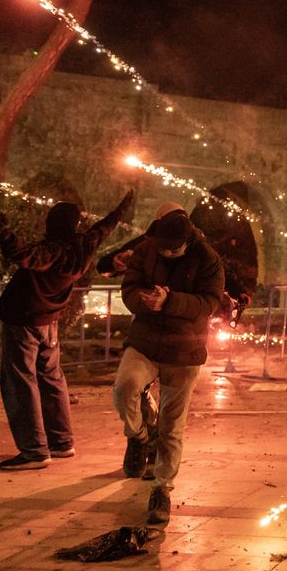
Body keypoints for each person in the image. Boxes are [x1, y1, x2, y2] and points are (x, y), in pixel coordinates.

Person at [0, 190, 135, 470]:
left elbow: (24, 254)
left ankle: (34, 450)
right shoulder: (83, 246)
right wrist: (123, 206)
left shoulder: (54, 251)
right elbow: (104, 227)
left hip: (25, 322)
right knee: (51, 379)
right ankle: (61, 442)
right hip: (49, 322)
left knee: (21, 383)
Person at [112, 209, 224, 527]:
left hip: (185, 350)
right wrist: (142, 299)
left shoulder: (207, 257)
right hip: (145, 341)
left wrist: (170, 302)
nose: (166, 253)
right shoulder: (148, 248)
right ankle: (137, 436)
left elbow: (210, 301)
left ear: (187, 242)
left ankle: (161, 489)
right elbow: (129, 286)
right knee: (125, 389)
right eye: (162, 247)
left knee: (172, 426)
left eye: (172, 249)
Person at [96, 201, 184, 480]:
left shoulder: (197, 248)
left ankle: (158, 460)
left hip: (182, 336)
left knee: (172, 408)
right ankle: (139, 438)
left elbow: (216, 280)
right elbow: (106, 265)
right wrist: (116, 262)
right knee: (132, 388)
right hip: (146, 329)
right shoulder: (147, 243)